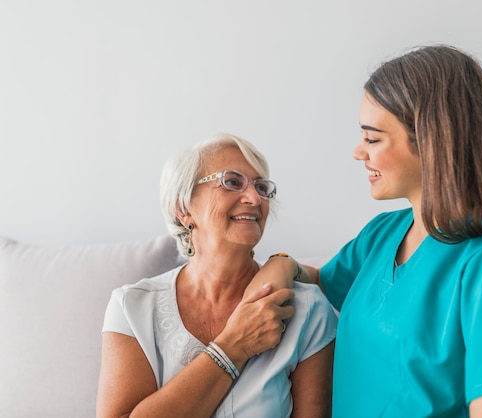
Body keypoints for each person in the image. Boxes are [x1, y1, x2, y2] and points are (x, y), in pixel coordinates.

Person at [270, 45, 482, 417]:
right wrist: (281, 264)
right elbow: (320, 279)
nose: (358, 152)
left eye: (372, 138)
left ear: (430, 141)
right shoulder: (382, 235)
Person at [96, 133, 337, 418]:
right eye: (232, 182)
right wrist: (233, 346)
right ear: (183, 208)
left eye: (261, 187)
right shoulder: (131, 307)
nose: (254, 198)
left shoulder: (309, 310)